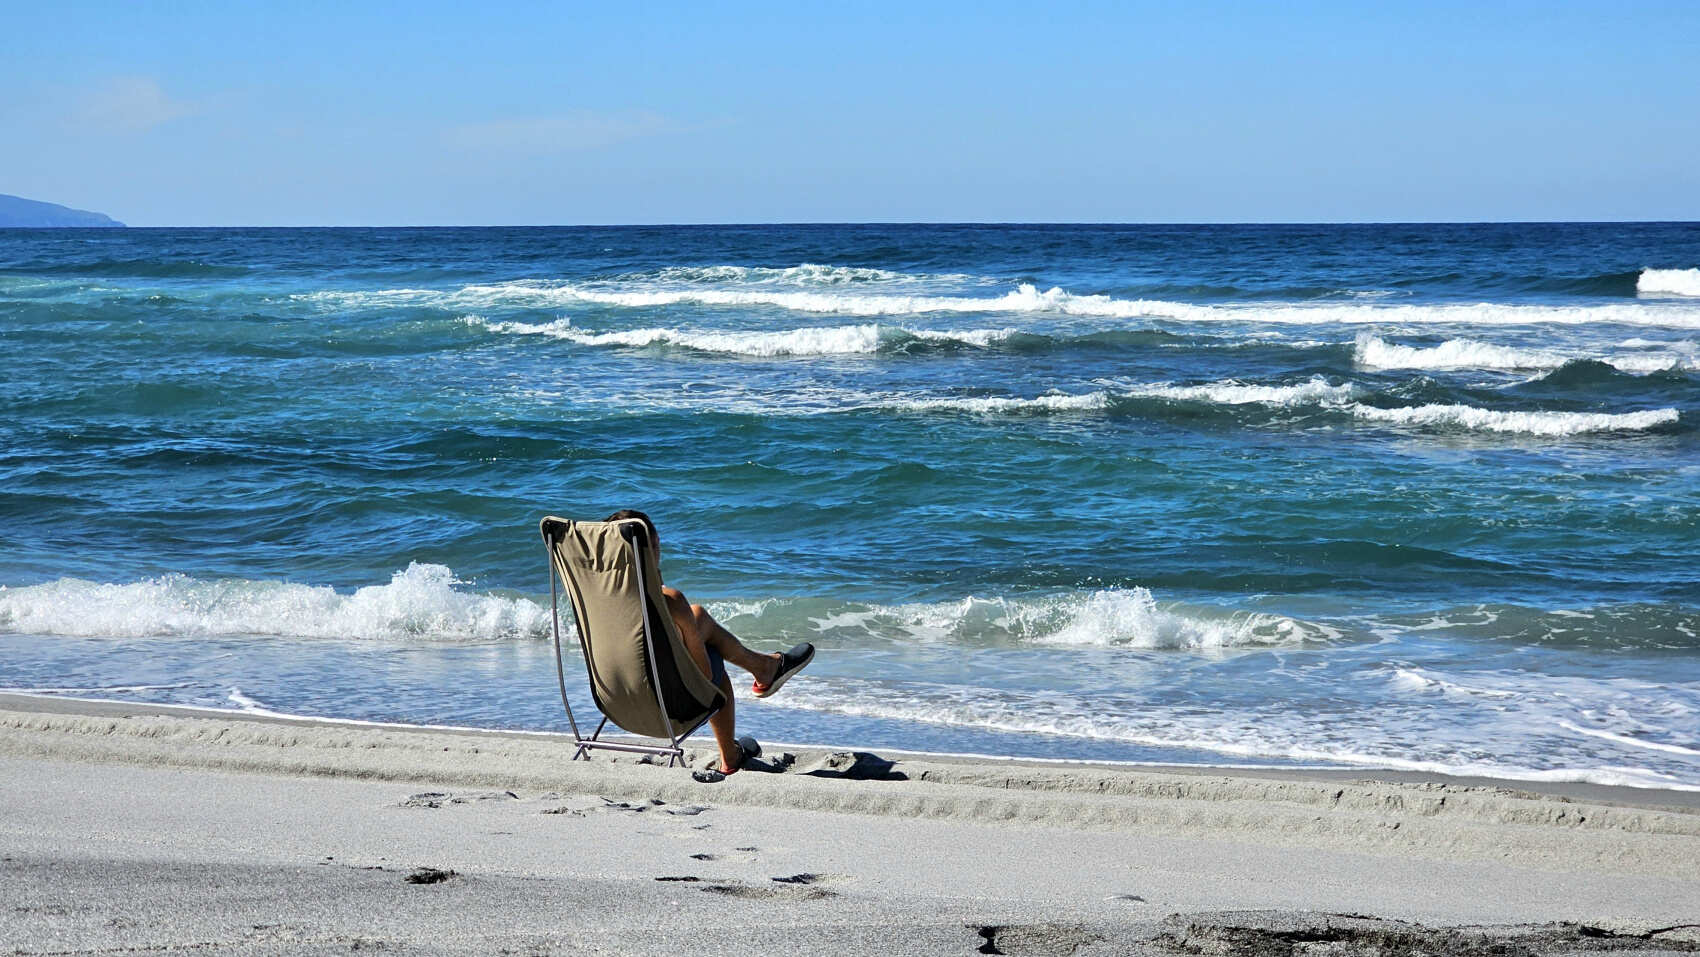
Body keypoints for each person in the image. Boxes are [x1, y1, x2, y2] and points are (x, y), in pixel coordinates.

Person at [605, 509, 814, 782]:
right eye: (656, 543)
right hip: (667, 709)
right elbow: (704, 676)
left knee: (697, 621)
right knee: (706, 634)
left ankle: (765, 667)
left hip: (615, 702)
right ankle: (733, 750)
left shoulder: (595, 602)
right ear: (652, 547)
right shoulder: (670, 602)